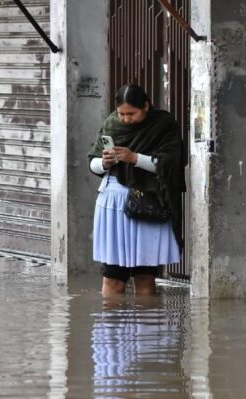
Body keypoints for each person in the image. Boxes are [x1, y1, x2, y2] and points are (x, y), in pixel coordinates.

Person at [88, 84, 186, 296]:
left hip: (148, 205)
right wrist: (104, 163)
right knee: (113, 277)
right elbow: (92, 163)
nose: (125, 119)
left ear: (146, 106)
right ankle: (112, 325)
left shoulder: (163, 124)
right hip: (113, 206)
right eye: (121, 113)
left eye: (131, 113)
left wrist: (135, 158)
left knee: (145, 277)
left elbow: (172, 164)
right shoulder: (111, 123)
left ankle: (147, 326)